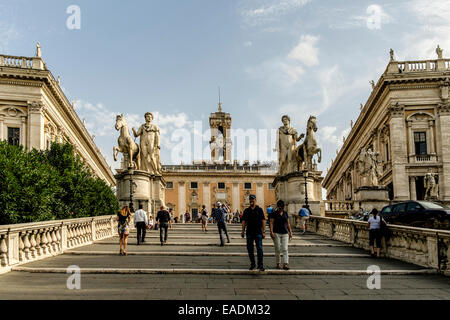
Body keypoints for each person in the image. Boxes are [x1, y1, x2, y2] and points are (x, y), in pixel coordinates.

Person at [241, 194, 266, 271]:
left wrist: (264, 231)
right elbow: (244, 221)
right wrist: (242, 231)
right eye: (250, 199)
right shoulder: (246, 210)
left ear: (255, 200)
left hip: (258, 232)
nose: (251, 200)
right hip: (249, 232)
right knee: (250, 249)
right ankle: (253, 264)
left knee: (260, 249)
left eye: (253, 199)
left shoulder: (259, 209)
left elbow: (263, 220)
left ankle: (260, 265)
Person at [270, 200, 293, 270]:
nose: (281, 209)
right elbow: (271, 223)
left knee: (285, 249)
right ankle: (278, 263)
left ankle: (285, 264)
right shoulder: (274, 213)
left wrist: (290, 232)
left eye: (282, 208)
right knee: (277, 249)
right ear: (278, 207)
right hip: (276, 232)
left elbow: (288, 223)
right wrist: (271, 232)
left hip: (285, 233)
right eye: (280, 208)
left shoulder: (285, 213)